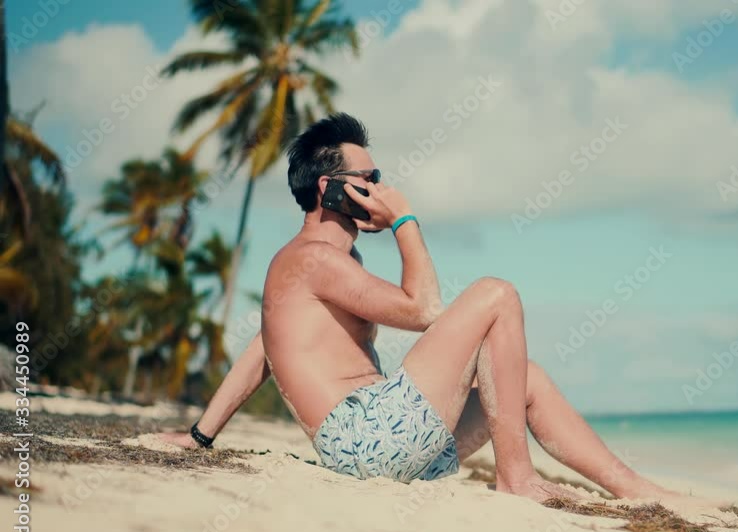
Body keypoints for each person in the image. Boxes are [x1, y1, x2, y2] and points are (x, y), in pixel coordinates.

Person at [158, 113, 686, 504]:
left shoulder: (325, 263)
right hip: (368, 437)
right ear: (329, 187)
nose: (379, 188)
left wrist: (201, 436)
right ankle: (518, 479)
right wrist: (405, 219)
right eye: (368, 177)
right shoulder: (314, 258)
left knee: (525, 378)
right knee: (496, 293)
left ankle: (634, 487)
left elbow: (262, 351)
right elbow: (425, 308)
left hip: (383, 442)